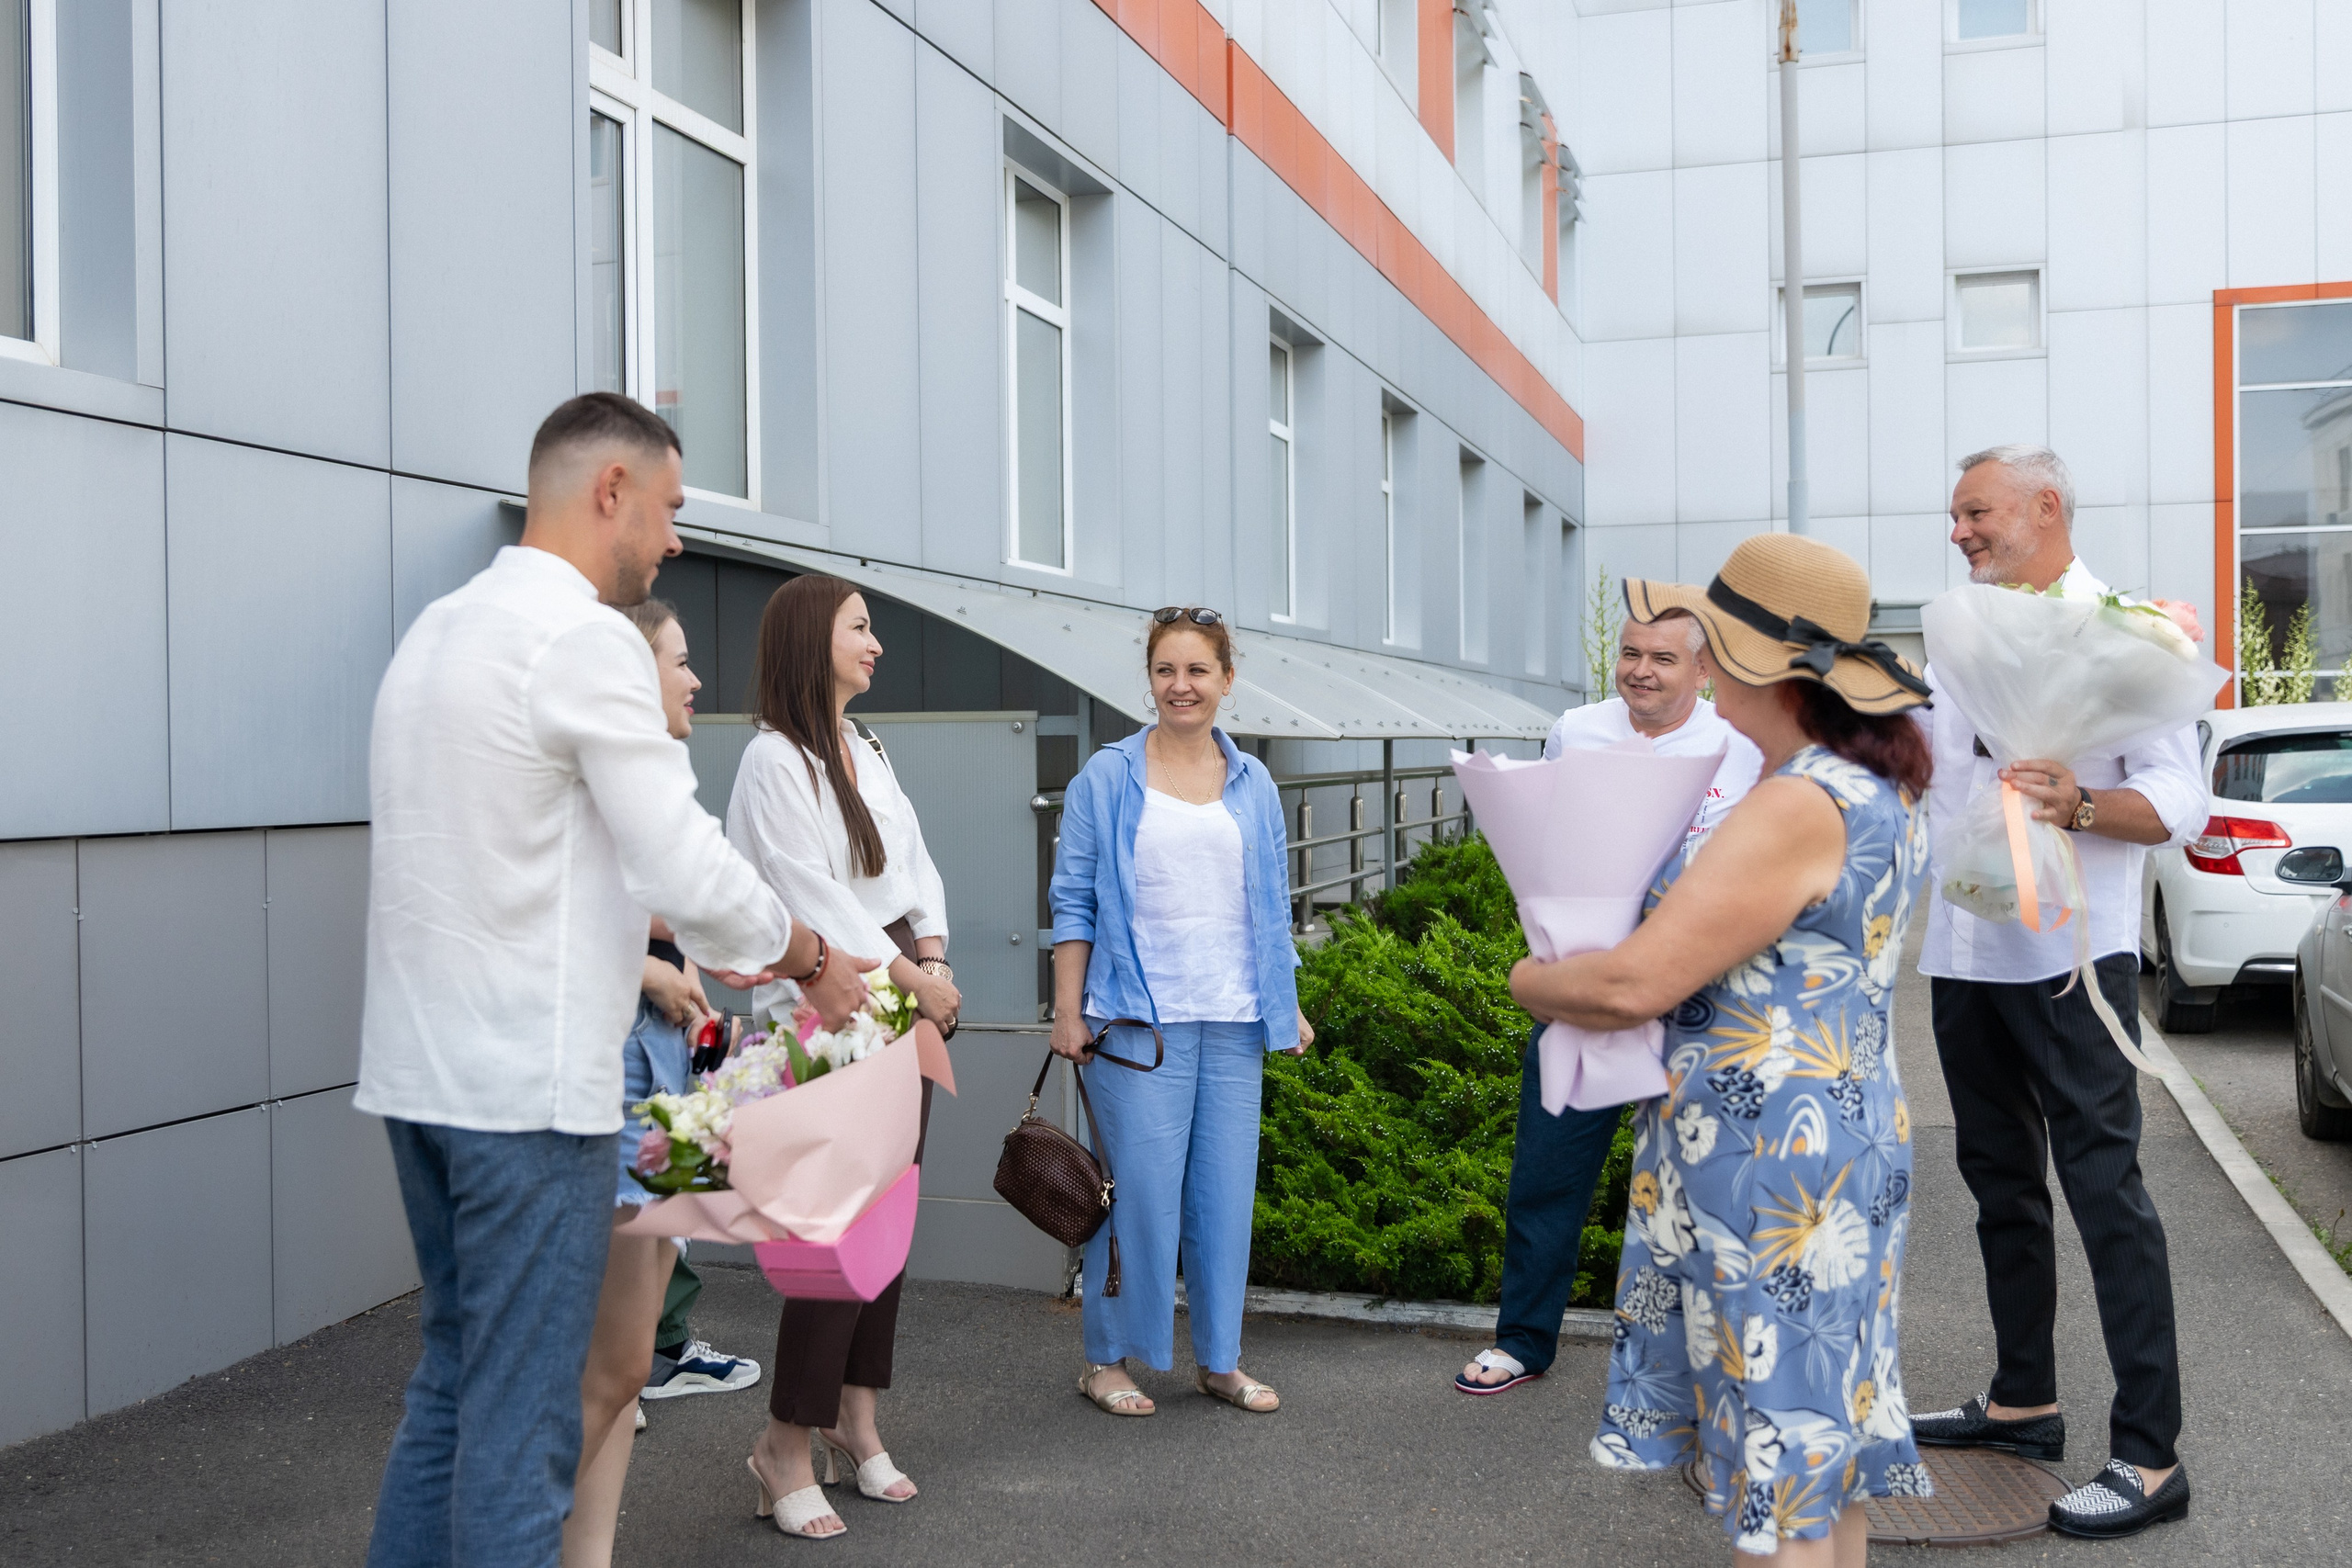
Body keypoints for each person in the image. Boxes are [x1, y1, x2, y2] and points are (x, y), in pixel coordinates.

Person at [356, 392, 873, 1568]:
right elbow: (678, 852)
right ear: (610, 493)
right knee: (525, 1418)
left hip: (417, 1076)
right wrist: (809, 959)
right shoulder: (582, 637)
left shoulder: (438, 630)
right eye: (672, 507)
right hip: (525, 1092)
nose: (677, 537)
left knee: (453, 1379)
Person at [1514, 534, 1935, 1564]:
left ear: (1757, 667)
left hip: (1765, 1160)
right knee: (1820, 1446)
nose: (1689, 649)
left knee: (1778, 1453)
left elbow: (1633, 983)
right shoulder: (1869, 788)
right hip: (1837, 1136)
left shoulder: (1796, 800)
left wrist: (1529, 981)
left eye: (1709, 635)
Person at [1910, 446, 2202, 1540]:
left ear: (2043, 507)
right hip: (1965, 948)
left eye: (1973, 512)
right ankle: (2023, 1398)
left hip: (2075, 958)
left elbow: (2179, 803)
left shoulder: (2131, 640)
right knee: (1997, 1183)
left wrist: (2078, 804)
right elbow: (1933, 778)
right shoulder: (1961, 637)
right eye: (1952, 517)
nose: (1959, 532)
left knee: (2104, 1193)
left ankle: (2148, 1455)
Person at [1458, 610, 1766, 1396]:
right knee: (1550, 1167)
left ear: (1704, 671)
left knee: (1708, 1180)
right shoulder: (1576, 730)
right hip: (1589, 986)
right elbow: (1545, 838)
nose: (1641, 670)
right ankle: (1523, 1338)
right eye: (1630, 653)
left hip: (1702, 995)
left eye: (1663, 657)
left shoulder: (1742, 746)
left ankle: (1718, 1357)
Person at [727, 574, 961, 1540]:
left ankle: (854, 1417)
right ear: (808, 637)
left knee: (886, 1225)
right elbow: (803, 891)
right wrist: (914, 975)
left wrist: (936, 959)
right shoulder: (770, 760)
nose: (875, 642)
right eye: (859, 626)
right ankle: (785, 1439)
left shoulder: (864, 745)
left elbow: (912, 867)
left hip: (905, 997)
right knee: (829, 1235)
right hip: (838, 1009)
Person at [1046, 606, 1314, 1419]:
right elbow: (1073, 899)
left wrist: (1286, 1005)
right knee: (1135, 1196)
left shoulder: (1254, 780)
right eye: (1167, 669)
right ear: (1150, 678)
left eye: (1198, 670)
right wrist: (1068, 1008)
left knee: (1225, 1199)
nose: (1181, 685)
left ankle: (1221, 1361)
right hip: (1136, 1024)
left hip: (1234, 1019)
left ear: (1227, 680)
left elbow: (1272, 901)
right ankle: (1107, 1359)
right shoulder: (1108, 776)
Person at [560, 596, 733, 1568]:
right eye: (676, 660)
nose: (694, 679)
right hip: (625, 1060)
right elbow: (552, 920)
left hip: (676, 1062)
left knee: (627, 1372)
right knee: (618, 1359)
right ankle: (499, 1539)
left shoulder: (659, 776)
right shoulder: (595, 781)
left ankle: (588, 1554)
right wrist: (651, 968)